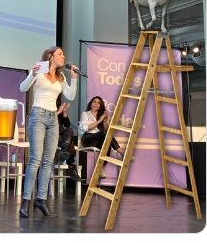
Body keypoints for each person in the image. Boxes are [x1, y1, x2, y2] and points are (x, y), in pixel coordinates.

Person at [19, 46, 78, 218]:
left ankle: (41, 200)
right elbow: (23, 88)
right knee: (35, 160)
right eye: (60, 54)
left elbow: (70, 95)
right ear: (51, 56)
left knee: (48, 161)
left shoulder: (61, 76)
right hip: (37, 115)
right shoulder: (39, 70)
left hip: (53, 118)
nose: (63, 56)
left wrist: (74, 78)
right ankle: (25, 202)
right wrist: (32, 73)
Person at [79, 95, 133, 178]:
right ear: (91, 104)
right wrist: (99, 121)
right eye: (94, 102)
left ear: (100, 106)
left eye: (98, 103)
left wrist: (104, 121)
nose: (96, 104)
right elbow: (86, 128)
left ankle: (100, 169)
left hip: (99, 140)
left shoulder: (101, 115)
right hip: (88, 139)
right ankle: (121, 151)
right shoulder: (85, 114)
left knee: (107, 144)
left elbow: (107, 130)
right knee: (103, 134)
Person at [56, 102, 81, 181]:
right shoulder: (46, 111)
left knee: (69, 130)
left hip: (61, 137)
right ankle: (71, 167)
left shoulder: (59, 113)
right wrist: (58, 112)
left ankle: (64, 150)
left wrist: (64, 112)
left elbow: (67, 124)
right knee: (70, 143)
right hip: (51, 136)